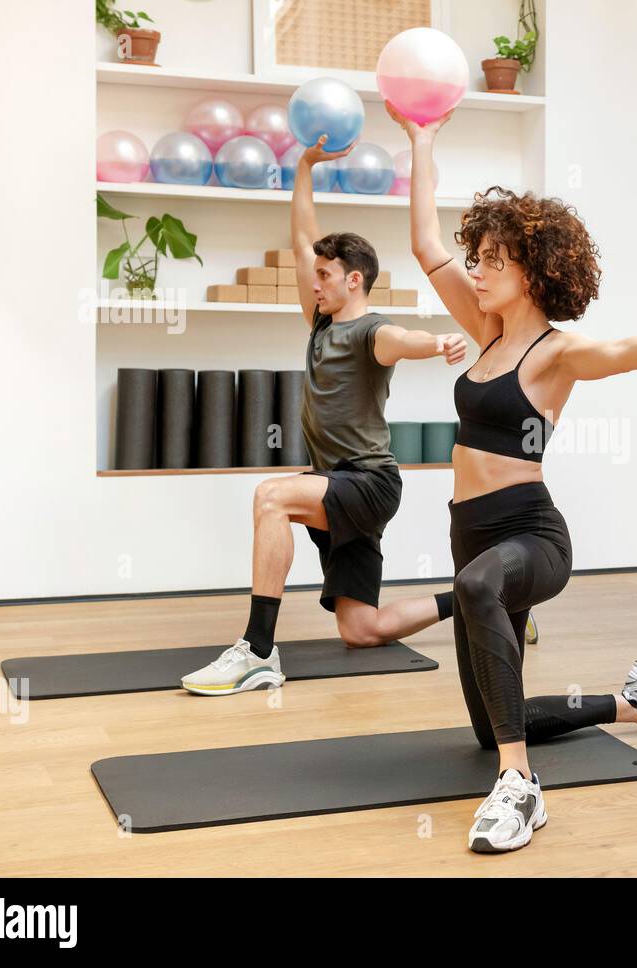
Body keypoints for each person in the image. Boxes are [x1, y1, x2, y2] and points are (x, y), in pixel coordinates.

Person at [390, 101, 637, 853]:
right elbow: (425, 243)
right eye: (478, 257)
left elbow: (618, 350)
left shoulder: (553, 353)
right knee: (493, 717)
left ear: (532, 271)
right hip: (471, 534)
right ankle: (634, 704)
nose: (478, 270)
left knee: (477, 591)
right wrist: (421, 140)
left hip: (530, 535)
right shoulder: (484, 332)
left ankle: (521, 790)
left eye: (493, 260)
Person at [182, 136, 468, 696]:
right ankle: (481, 596)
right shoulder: (319, 322)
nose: (313, 283)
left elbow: (402, 339)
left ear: (353, 279)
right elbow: (300, 237)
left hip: (367, 483)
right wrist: (305, 167)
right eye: (313, 275)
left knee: (272, 496)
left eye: (324, 276)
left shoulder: (369, 331)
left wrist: (438, 343)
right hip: (337, 482)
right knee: (364, 629)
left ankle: (258, 652)